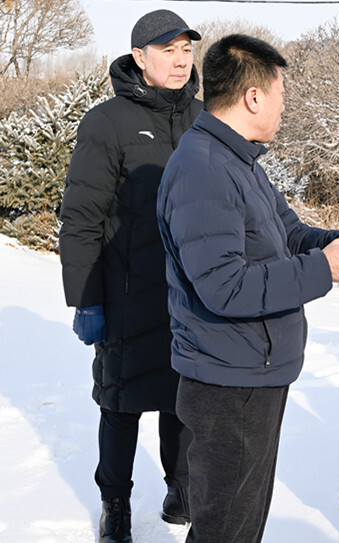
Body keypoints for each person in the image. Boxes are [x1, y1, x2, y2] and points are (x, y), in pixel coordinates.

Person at [156, 34, 339, 543]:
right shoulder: (204, 170)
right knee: (226, 530)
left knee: (240, 525)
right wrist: (323, 269)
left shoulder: (237, 160)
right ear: (253, 97)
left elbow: (286, 233)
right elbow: (224, 287)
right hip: (229, 383)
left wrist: (338, 246)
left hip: (251, 373)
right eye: (281, 94)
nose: (284, 106)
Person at [58, 9, 202, 542]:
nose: (181, 60)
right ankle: (114, 504)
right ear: (140, 57)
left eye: (186, 49)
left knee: (183, 400)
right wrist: (86, 298)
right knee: (120, 404)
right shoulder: (106, 122)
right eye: (168, 50)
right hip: (127, 294)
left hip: (192, 294)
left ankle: (180, 489)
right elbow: (81, 217)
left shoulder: (206, 118)